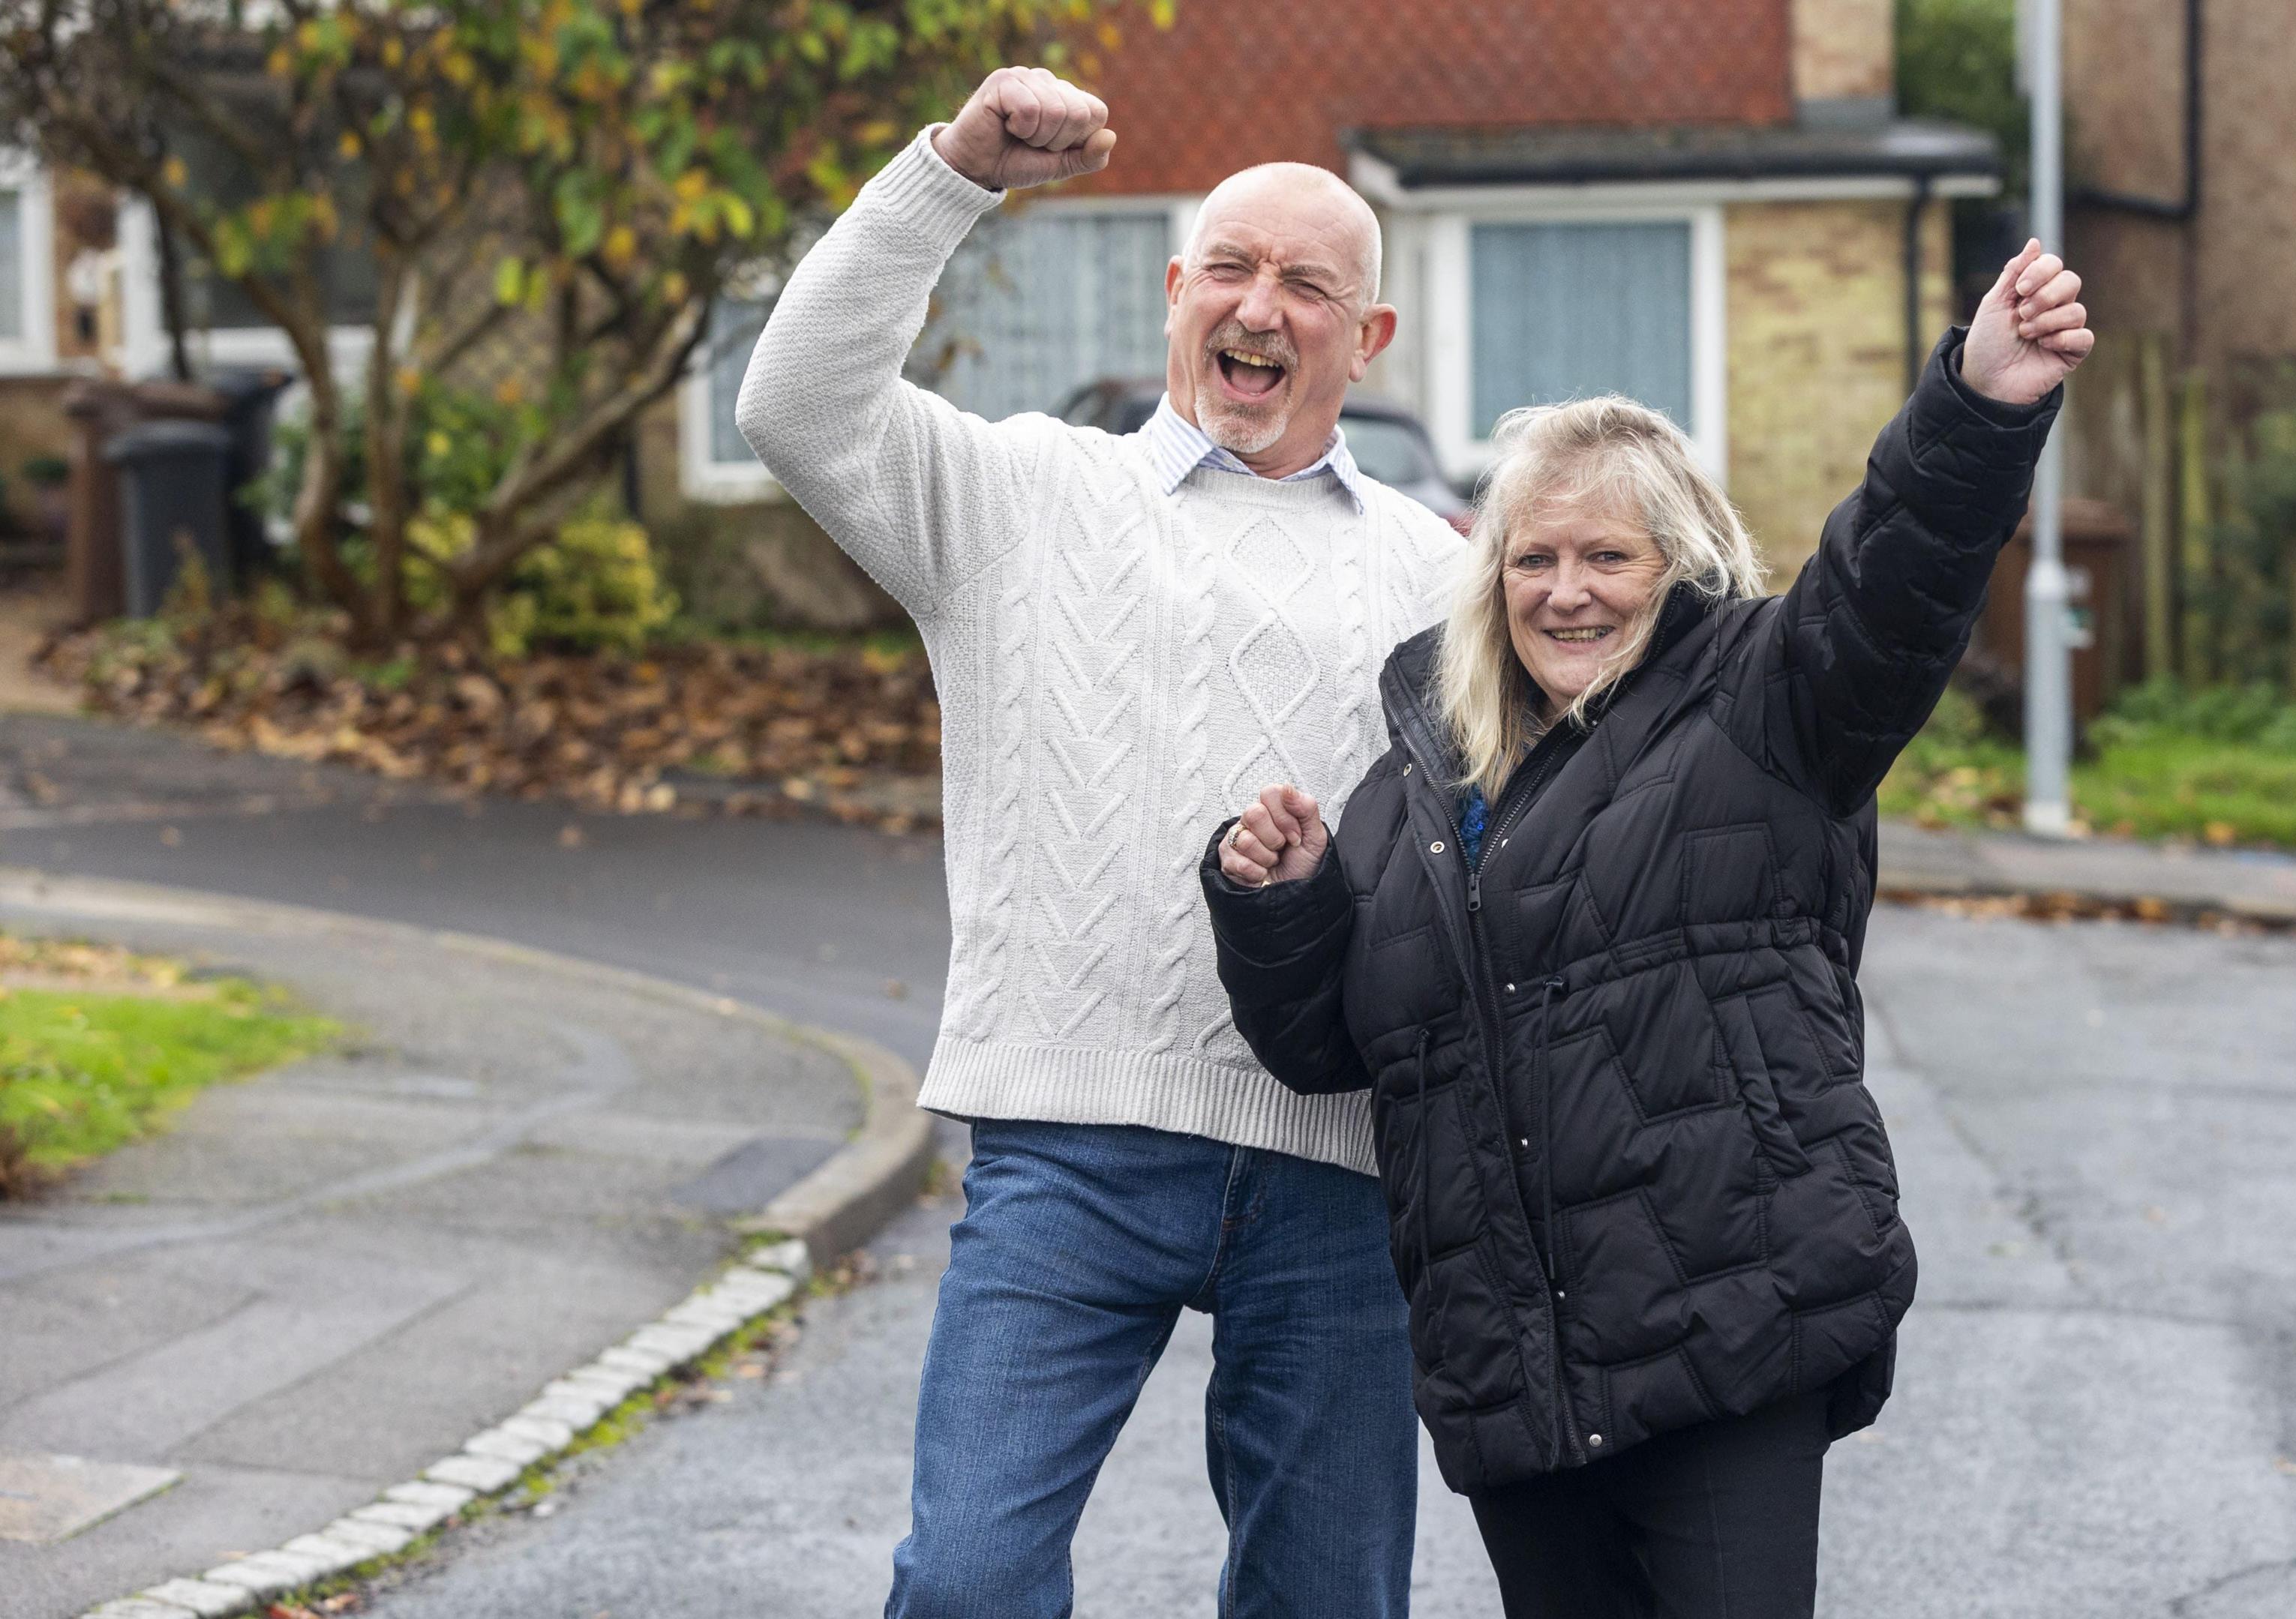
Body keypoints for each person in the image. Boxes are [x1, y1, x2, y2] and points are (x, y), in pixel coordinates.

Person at [1199, 242, 2091, 1616]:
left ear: (1678, 569)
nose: (1569, 592)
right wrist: (1281, 901)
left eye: (1609, 556)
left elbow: (1896, 575)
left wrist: (1978, 405)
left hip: (1727, 1327)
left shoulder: (1766, 705)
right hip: (1517, 1372)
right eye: (1534, 558)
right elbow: (1331, 1045)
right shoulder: (1423, 788)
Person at [732, 66, 1463, 1619]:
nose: (1260, 307)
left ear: (1370, 338)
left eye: (1308, 284)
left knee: (1328, 1601)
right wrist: (952, 173)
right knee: (970, 1583)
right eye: (1231, 269)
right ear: (1176, 294)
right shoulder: (1014, 499)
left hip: (1338, 1172)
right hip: (1071, 1144)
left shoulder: (1437, 578)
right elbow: (791, 406)